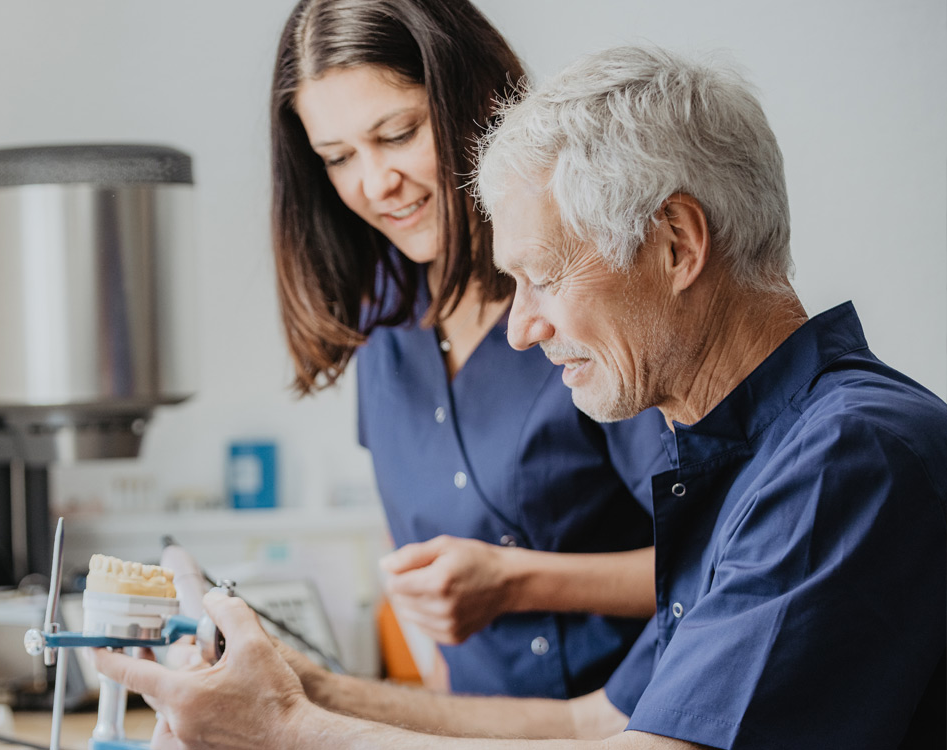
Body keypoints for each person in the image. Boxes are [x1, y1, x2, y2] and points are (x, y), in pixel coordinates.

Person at [98, 44, 947, 749]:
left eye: (542, 278)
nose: (520, 330)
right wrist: (308, 688)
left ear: (677, 244)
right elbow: (590, 724)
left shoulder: (849, 454)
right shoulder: (741, 467)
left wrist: (287, 730)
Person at [269, 0, 668, 703]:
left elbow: (722, 563)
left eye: (398, 133)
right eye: (337, 157)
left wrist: (519, 582)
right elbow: (418, 585)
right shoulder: (383, 326)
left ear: (478, 100)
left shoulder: (590, 291)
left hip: (632, 722)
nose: (373, 182)